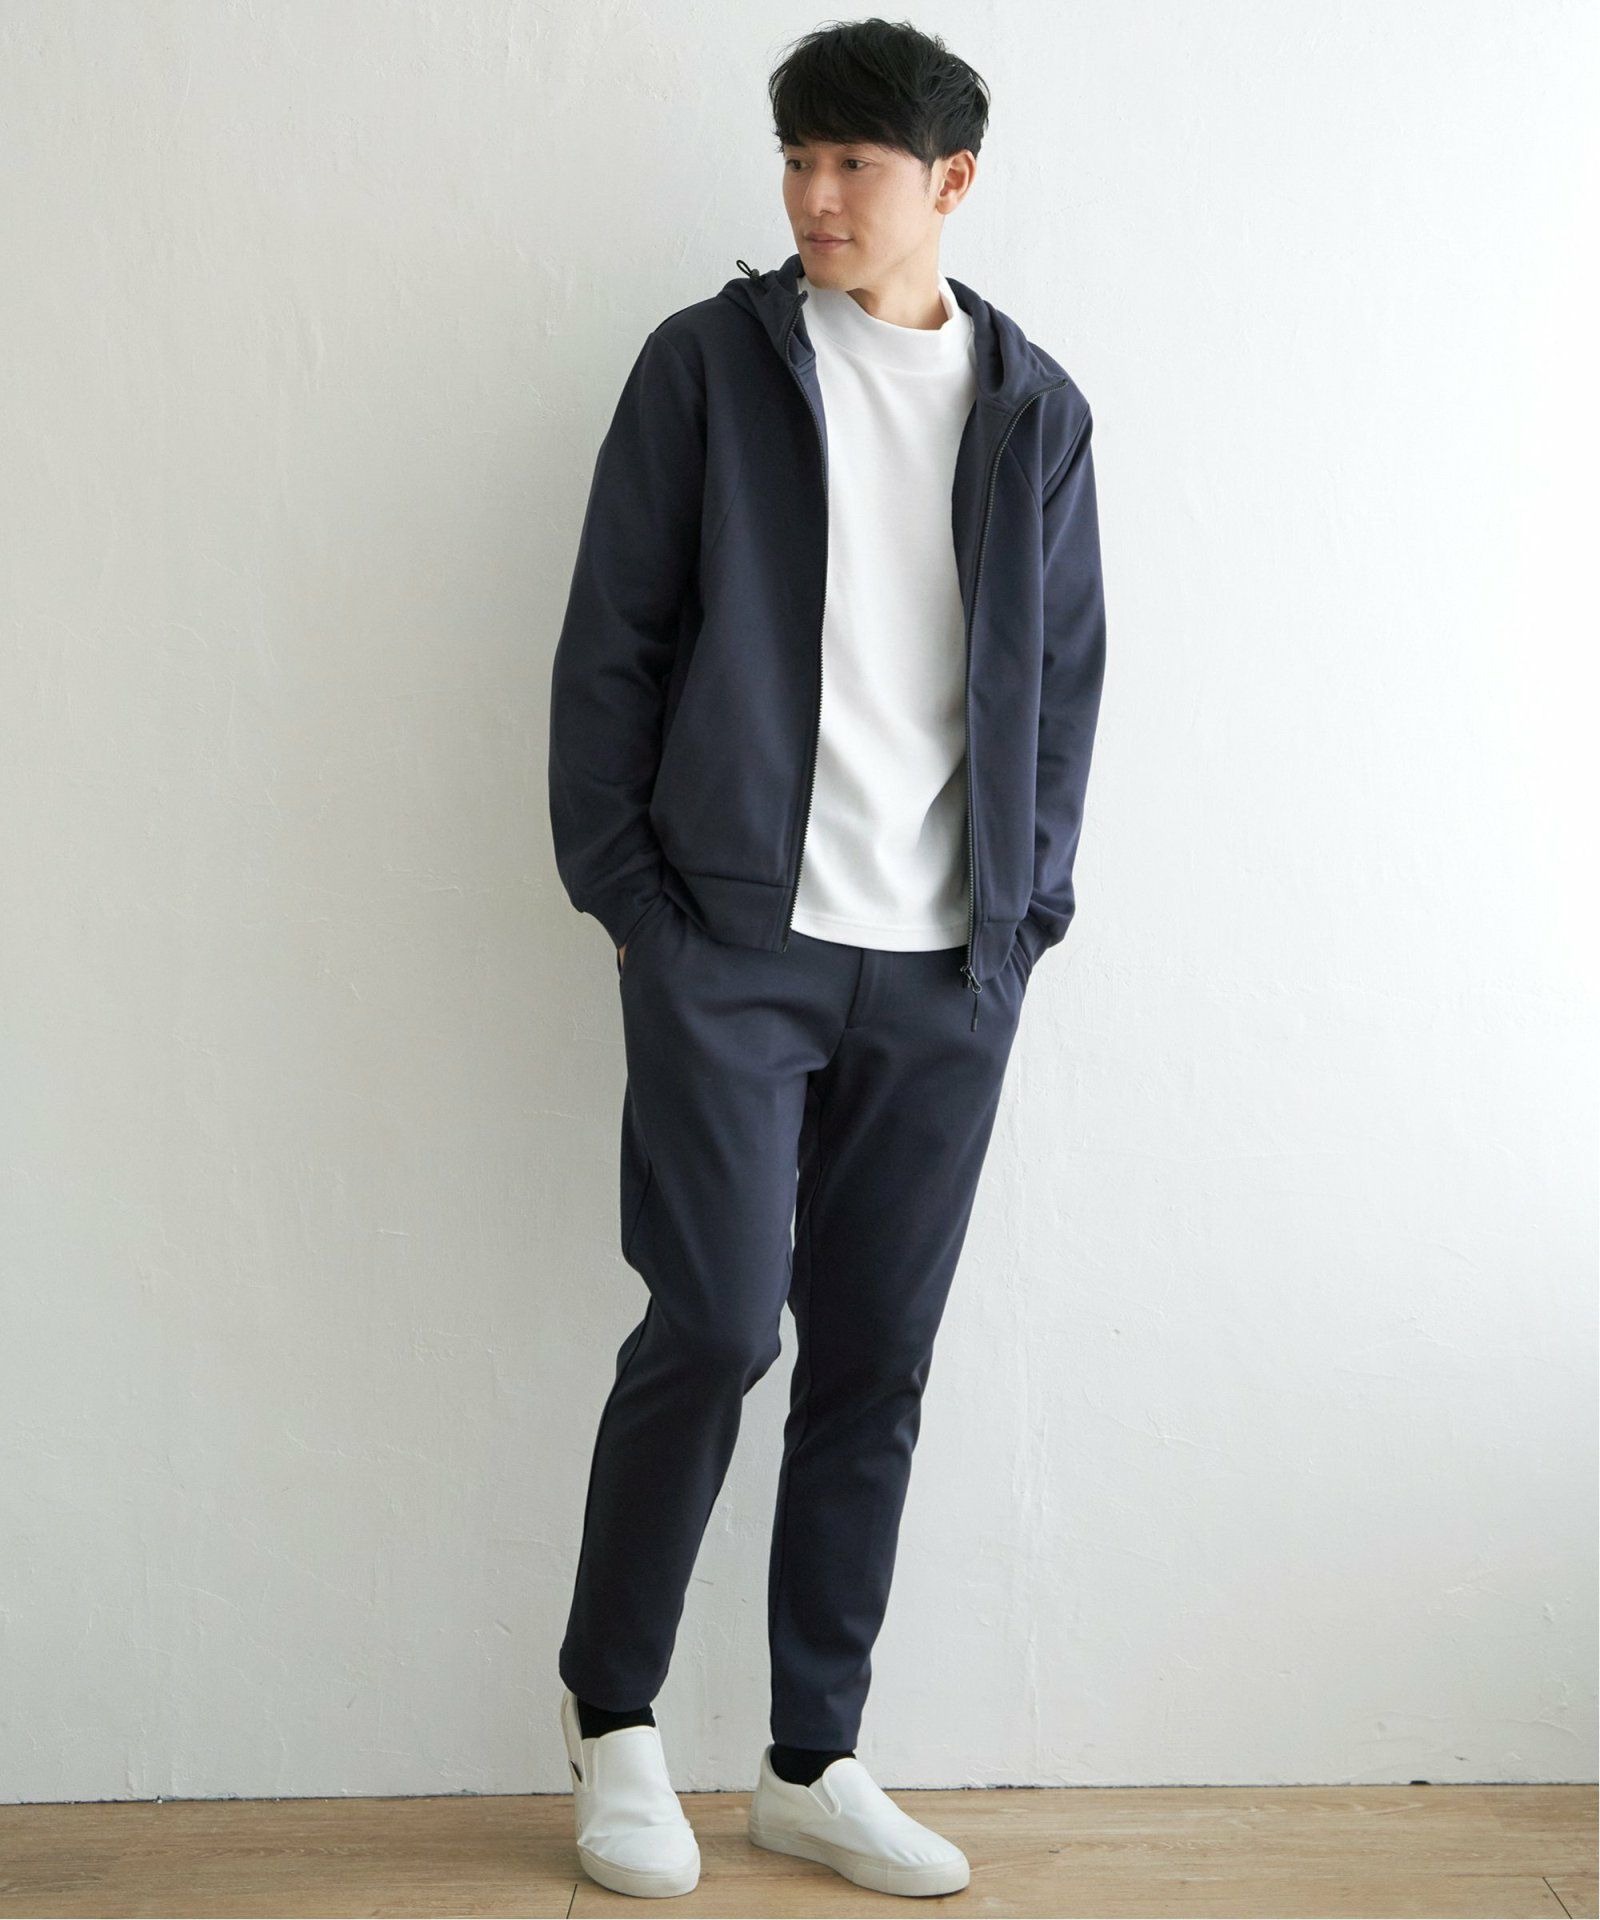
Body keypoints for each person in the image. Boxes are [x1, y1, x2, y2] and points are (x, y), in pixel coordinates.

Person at [546, 16, 1107, 1900]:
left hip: (944, 973)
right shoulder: (709, 368)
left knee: (876, 1359)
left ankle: (812, 1759)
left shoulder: (1034, 410)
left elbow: (1064, 688)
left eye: (853, 164)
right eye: (795, 157)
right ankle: (614, 1722)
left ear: (951, 181)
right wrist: (642, 909)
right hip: (733, 951)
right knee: (715, 1326)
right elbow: (611, 648)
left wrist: (1023, 920)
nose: (813, 196)